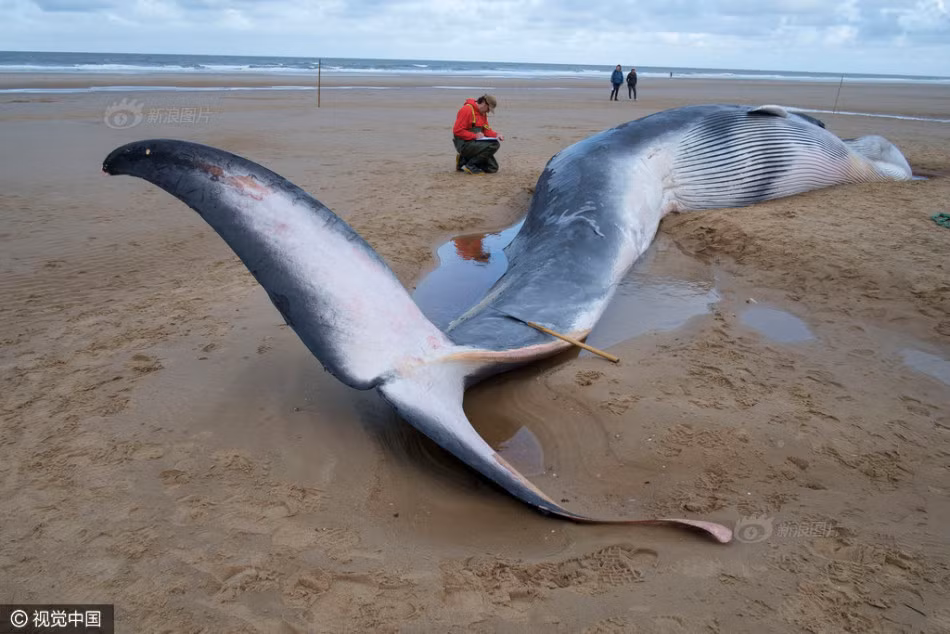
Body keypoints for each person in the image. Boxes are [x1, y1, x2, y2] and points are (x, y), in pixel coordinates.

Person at [452, 94, 504, 174]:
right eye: (488, 109)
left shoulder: (483, 114)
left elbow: (486, 130)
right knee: (494, 144)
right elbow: (457, 131)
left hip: (475, 144)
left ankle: (463, 159)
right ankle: (471, 165)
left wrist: (496, 135)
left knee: (492, 168)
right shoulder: (467, 110)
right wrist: (475, 136)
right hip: (464, 144)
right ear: (483, 103)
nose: (488, 111)